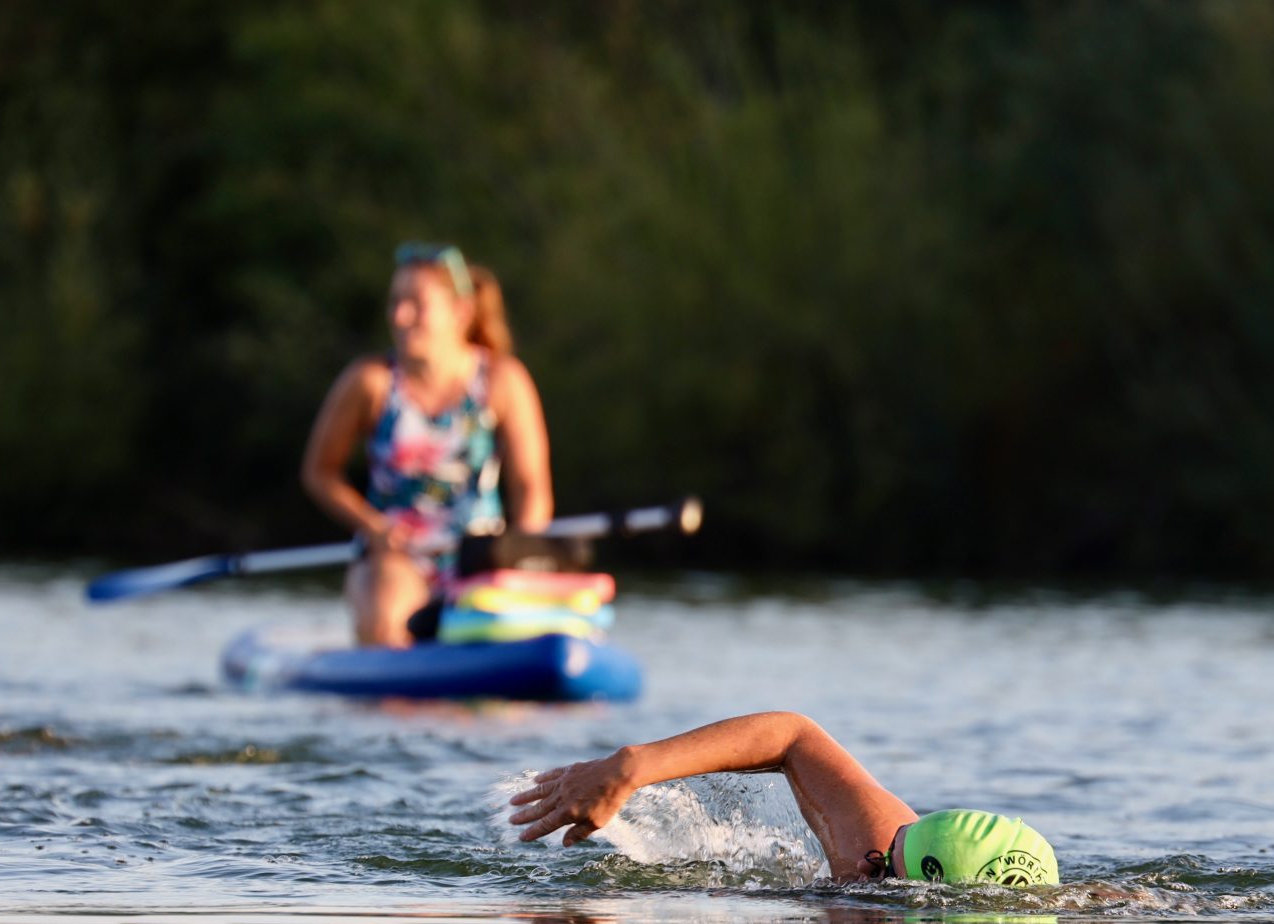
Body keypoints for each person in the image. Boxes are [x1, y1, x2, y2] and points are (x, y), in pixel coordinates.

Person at [301, 243, 553, 647]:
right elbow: (320, 473)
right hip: (394, 556)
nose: (400, 316)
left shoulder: (503, 380)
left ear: (460, 312)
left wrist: (521, 555)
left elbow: (532, 489)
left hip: (479, 555)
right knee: (388, 617)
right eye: (395, 302)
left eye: (416, 304)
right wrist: (374, 527)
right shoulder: (370, 382)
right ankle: (390, 657)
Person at [509, 713, 1059, 886]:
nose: (863, 865)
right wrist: (631, 768)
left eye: (883, 873)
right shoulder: (875, 843)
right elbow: (793, 735)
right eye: (886, 848)